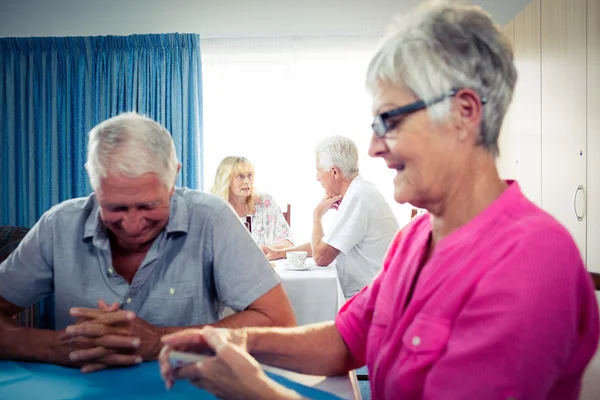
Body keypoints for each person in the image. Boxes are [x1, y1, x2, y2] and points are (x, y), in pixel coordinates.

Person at [158, 1, 600, 399]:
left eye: (390, 119)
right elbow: (346, 340)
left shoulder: (532, 259)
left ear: (465, 113)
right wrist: (233, 340)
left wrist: (256, 391)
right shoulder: (416, 239)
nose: (372, 148)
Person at [0, 112, 296, 373]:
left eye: (148, 206)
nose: (131, 224)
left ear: (173, 179)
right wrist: (52, 346)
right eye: (114, 207)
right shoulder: (58, 226)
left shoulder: (212, 218)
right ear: (94, 185)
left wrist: (163, 340)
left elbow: (280, 323)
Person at [264, 135, 398, 299]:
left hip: (372, 298)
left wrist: (317, 216)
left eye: (318, 171)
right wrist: (280, 253)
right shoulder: (359, 192)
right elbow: (326, 244)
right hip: (373, 293)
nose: (317, 178)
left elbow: (321, 256)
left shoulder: (357, 197)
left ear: (334, 172)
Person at [210, 156, 293, 249]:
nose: (247, 181)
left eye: (249, 175)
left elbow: (288, 244)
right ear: (226, 180)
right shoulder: (213, 210)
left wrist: (260, 251)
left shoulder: (265, 202)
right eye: (240, 176)